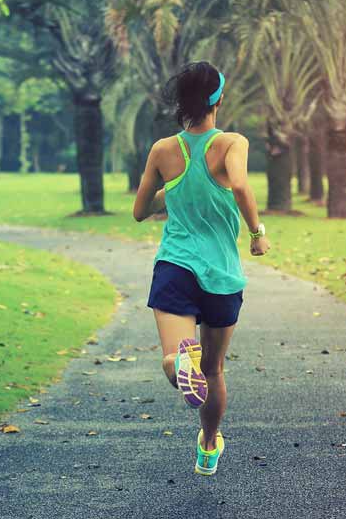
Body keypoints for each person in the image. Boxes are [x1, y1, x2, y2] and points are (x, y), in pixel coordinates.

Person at [132, 61, 269, 476]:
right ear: (219, 100)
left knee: (177, 356)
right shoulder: (231, 143)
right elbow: (241, 185)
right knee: (214, 369)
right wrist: (257, 232)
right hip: (221, 274)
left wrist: (172, 189)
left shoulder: (162, 150)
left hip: (175, 266)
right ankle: (209, 445)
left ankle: (177, 367)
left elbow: (140, 211)